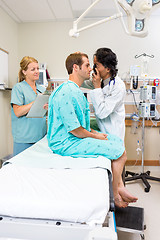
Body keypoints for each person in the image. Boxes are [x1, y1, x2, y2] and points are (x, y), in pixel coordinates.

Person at [47, 52, 138, 208]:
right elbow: (75, 129)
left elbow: (81, 122)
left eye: (95, 65)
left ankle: (119, 188)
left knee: (118, 146)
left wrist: (94, 133)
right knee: (119, 150)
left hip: (96, 130)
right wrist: (94, 136)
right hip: (66, 141)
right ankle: (116, 193)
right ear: (76, 67)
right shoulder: (68, 91)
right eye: (88, 65)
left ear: (107, 68)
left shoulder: (76, 90)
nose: (92, 69)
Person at [82, 48, 126, 141]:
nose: (94, 68)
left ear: (108, 68)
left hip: (113, 133)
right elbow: (82, 81)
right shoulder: (103, 81)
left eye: (96, 65)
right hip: (102, 130)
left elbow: (102, 113)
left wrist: (97, 87)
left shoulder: (118, 87)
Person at [11, 56, 47, 156]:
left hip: (40, 137)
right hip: (24, 138)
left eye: (37, 68)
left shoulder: (42, 90)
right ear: (24, 71)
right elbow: (17, 112)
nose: (37, 71)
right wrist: (36, 102)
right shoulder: (18, 88)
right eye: (33, 69)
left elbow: (43, 112)